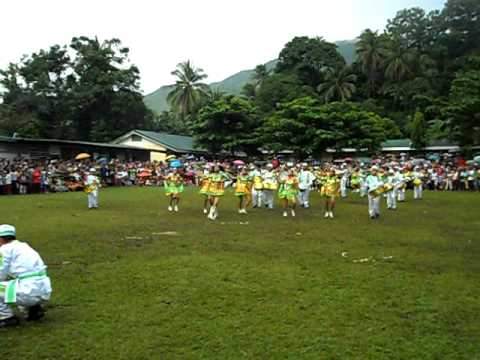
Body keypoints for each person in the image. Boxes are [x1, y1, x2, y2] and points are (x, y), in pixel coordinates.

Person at [0, 224, 52, 328]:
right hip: (44, 290)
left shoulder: (4, 249)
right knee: (16, 283)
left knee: (9, 286)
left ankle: (6, 318)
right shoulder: (24, 246)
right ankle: (34, 309)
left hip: (29, 291)